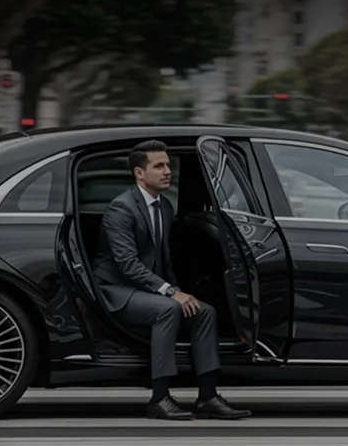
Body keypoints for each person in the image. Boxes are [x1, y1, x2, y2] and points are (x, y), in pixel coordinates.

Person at [92, 140, 251, 421]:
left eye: (168, 165)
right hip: (117, 291)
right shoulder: (121, 208)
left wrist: (179, 291)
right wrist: (170, 293)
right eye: (158, 166)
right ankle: (159, 398)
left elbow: (164, 260)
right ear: (139, 173)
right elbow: (127, 265)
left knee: (204, 311)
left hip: (147, 290)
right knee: (168, 310)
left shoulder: (164, 207)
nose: (167, 171)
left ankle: (208, 396)